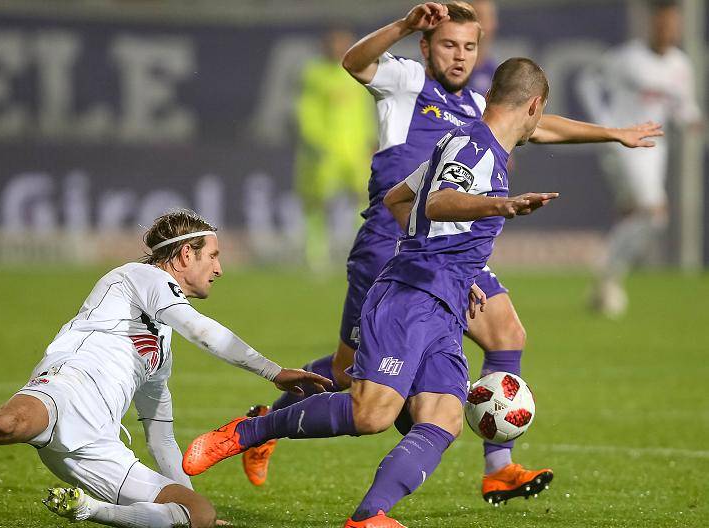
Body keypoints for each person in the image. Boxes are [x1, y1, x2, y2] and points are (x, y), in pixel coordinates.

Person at [240, 1, 663, 504]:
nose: (459, 57)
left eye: (468, 47)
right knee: (347, 370)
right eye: (448, 45)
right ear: (425, 47)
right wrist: (402, 25)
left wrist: (613, 134)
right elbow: (354, 62)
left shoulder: (479, 106)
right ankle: (267, 423)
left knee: (507, 333)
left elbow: (539, 124)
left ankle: (498, 467)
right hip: (391, 243)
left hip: (448, 250)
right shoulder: (407, 82)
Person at [184, 58, 558, 528]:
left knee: (443, 418)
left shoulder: (469, 144)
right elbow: (437, 201)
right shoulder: (476, 149)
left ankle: (368, 517)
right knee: (373, 414)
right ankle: (248, 432)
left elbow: (398, 199)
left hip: (445, 302)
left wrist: (449, 267)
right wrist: (499, 206)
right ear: (534, 105)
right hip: (410, 299)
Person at [0, 210, 332, 528]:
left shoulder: (160, 345)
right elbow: (203, 330)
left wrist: (187, 495)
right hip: (67, 389)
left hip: (101, 445)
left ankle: (90, 510)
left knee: (196, 515)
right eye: (212, 256)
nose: (219, 268)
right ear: (181, 257)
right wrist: (273, 371)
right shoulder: (139, 278)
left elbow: (159, 431)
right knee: (6, 423)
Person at [578, 0, 702, 318]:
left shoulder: (680, 65)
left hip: (654, 150)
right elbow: (587, 81)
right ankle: (608, 275)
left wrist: (692, 120)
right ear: (652, 24)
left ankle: (606, 279)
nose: (667, 30)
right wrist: (604, 125)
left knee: (638, 215)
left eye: (672, 24)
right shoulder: (627, 58)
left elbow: (683, 106)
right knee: (652, 211)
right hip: (624, 144)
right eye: (662, 23)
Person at [296, 28, 376, 272]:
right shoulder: (315, 74)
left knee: (362, 200)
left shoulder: (358, 73)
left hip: (355, 150)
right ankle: (316, 255)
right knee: (317, 202)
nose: (338, 48)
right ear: (325, 46)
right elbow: (307, 112)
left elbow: (365, 111)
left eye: (344, 44)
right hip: (325, 151)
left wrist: (371, 140)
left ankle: (359, 251)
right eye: (334, 43)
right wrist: (315, 142)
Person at [468, 0, 499, 96]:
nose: (478, 25)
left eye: (481, 18)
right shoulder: (448, 71)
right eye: (473, 18)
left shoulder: (497, 75)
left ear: (493, 24)